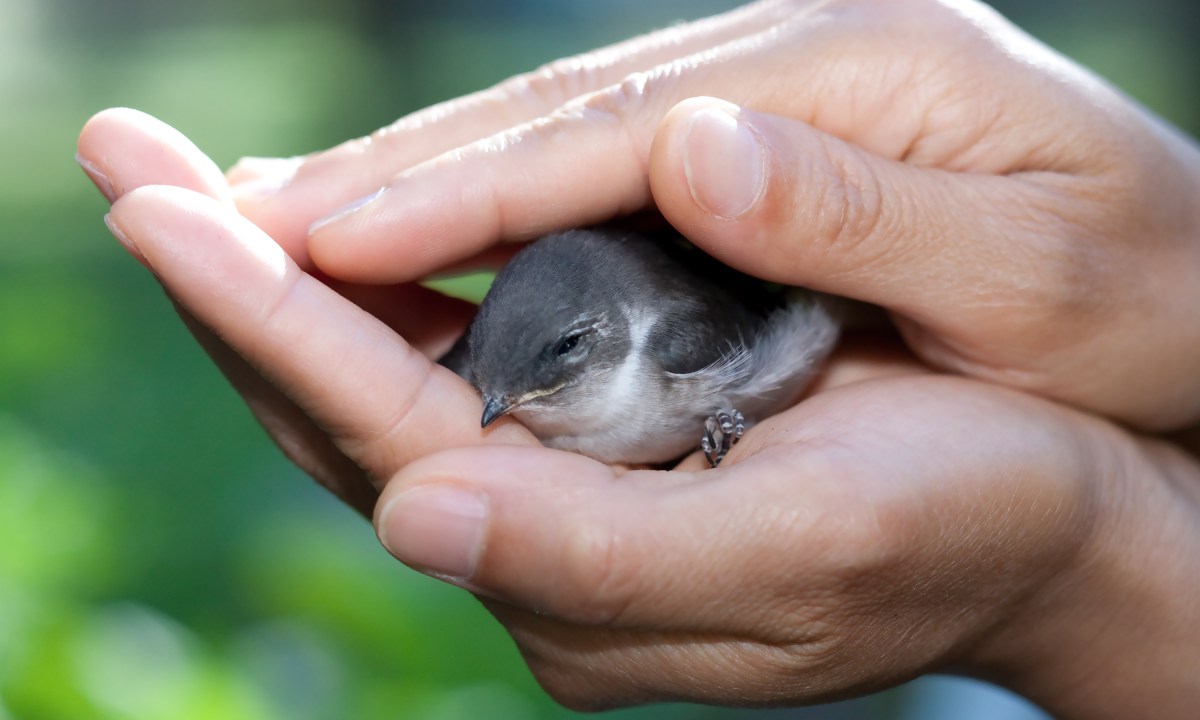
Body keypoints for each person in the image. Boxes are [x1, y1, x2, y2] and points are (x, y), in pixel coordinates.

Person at [76, 0, 1200, 715]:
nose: (499, 405)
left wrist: (1100, 557)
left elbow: (795, 316)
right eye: (494, 382)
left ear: (610, 341)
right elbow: (499, 370)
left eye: (545, 373)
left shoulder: (686, 338)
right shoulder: (493, 372)